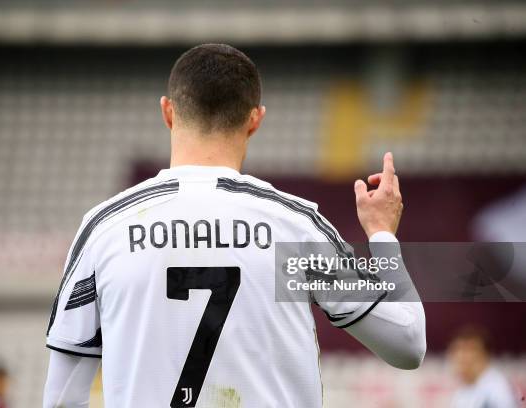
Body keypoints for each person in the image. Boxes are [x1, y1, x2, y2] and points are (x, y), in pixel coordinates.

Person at [43, 44, 426, 408]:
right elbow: (408, 343)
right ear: (255, 119)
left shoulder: (105, 229)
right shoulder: (294, 228)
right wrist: (382, 233)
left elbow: (62, 399)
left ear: (168, 112)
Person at [449, 326, 519, 408]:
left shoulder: (497, 390)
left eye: (469, 350)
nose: (461, 356)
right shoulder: (462, 392)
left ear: (485, 355)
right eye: (457, 350)